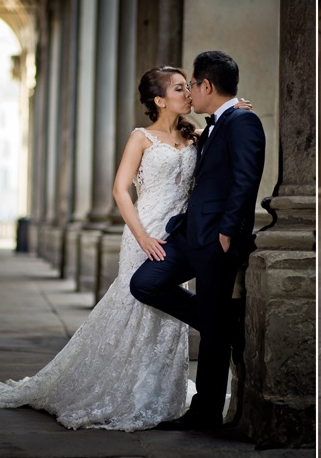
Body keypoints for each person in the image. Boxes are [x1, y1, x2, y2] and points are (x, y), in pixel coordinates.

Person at [0, 66, 252, 431]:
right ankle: (124, 385)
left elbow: (223, 144)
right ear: (159, 100)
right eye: (180, 88)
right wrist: (143, 237)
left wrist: (234, 110)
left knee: (161, 315)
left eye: (189, 87)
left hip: (182, 234)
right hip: (146, 229)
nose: (189, 93)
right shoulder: (141, 138)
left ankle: (155, 391)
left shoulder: (196, 135)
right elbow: (120, 191)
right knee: (135, 300)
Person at [130, 50, 266, 432]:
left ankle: (205, 413)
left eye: (190, 83)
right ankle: (227, 322)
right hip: (190, 235)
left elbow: (245, 179)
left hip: (216, 241)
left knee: (211, 335)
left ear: (206, 85)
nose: (189, 90)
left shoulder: (242, 122)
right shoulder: (216, 124)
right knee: (146, 283)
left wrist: (228, 232)